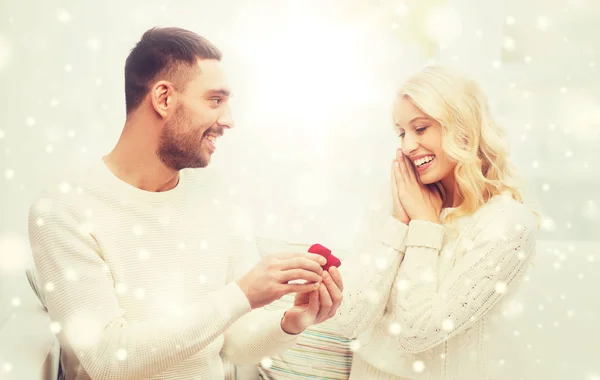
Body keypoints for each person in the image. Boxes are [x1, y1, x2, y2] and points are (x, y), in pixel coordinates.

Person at [28, 27, 343, 380]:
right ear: (164, 98)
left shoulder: (215, 193)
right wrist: (241, 294)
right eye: (214, 100)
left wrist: (292, 322)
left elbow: (236, 343)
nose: (228, 120)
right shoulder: (64, 209)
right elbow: (108, 359)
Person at [331, 65, 538, 379]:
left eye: (421, 128)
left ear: (462, 127)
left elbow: (416, 332)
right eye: (401, 132)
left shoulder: (508, 224)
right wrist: (400, 222)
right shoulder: (396, 198)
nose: (407, 146)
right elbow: (348, 320)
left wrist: (425, 226)